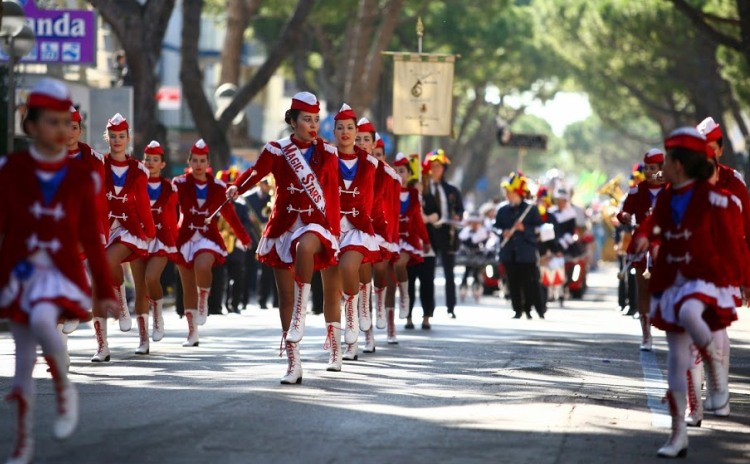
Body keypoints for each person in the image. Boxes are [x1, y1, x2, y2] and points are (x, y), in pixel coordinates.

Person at [0, 78, 118, 464]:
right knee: (21, 362)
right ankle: (22, 440)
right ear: (30, 125)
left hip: (58, 271)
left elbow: (90, 233)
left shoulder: (81, 176)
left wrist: (104, 287)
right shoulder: (12, 168)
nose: (60, 130)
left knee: (44, 319)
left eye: (65, 122)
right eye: (49, 122)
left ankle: (63, 383)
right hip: (20, 270)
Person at [633, 127, 747, 458]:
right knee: (676, 360)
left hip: (705, 278)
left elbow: (734, 243)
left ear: (679, 164)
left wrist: (744, 279)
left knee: (689, 312)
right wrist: (641, 239)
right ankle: (679, 432)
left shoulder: (717, 198)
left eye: (666, 160)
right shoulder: (667, 197)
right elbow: (652, 224)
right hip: (673, 277)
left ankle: (711, 361)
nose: (659, 167)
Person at [228, 92, 341, 383]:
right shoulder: (277, 150)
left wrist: (335, 231)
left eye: (316, 119)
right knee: (284, 296)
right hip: (283, 224)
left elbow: (331, 193)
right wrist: (237, 188)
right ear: (292, 121)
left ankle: (303, 311)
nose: (312, 125)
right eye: (306, 119)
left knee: (306, 249)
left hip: (314, 223)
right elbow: (255, 171)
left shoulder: (327, 152)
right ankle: (293, 362)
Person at [173, 140, 252, 347]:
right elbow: (166, 209)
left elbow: (230, 215)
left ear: (208, 162)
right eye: (195, 161)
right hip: (184, 238)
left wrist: (244, 237)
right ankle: (192, 333)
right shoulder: (179, 183)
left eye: (202, 161)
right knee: (187, 286)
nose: (198, 165)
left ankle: (203, 297)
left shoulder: (218, 187)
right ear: (189, 161)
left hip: (208, 237)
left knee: (202, 264)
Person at [694, 116, 748, 420]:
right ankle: (696, 394)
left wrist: (747, 278)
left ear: (720, 150)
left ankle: (718, 388)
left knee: (716, 329)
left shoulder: (734, 181)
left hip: (723, 268)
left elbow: (747, 231)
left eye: (710, 147)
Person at [93, 113, 156, 362]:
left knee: (135, 280)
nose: (117, 141)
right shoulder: (98, 164)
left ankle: (143, 335)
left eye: (122, 136)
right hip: (105, 228)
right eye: (113, 137)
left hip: (132, 230)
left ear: (128, 138)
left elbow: (143, 204)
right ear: (107, 138)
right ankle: (102, 345)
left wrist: (150, 232)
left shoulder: (139, 170)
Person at [332, 105, 380, 362]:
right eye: (341, 128)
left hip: (359, 229)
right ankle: (349, 342)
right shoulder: (326, 158)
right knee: (337, 284)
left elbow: (377, 201)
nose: (348, 133)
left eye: (352, 128)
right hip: (332, 228)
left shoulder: (371, 164)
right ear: (335, 131)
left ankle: (356, 315)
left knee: (351, 270)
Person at [129, 141, 178, 354]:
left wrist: (175, 243)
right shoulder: (135, 183)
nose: (150, 163)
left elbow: (172, 217)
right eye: (147, 159)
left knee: (152, 278)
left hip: (161, 239)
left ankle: (157, 312)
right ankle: (143, 339)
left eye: (155, 160)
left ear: (162, 164)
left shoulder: (169, 188)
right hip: (137, 238)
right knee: (140, 289)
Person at [616, 149, 666, 352]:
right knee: (643, 288)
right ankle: (646, 334)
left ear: (662, 169)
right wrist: (626, 216)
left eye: (652, 168)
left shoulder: (673, 189)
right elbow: (624, 210)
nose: (647, 172)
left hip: (667, 244)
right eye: (646, 168)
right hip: (641, 244)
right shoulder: (637, 190)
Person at [494, 171, 545, 319]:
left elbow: (539, 229)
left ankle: (529, 308)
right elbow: (495, 226)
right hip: (509, 252)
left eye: (511, 192)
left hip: (526, 252)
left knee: (528, 282)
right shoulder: (502, 210)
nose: (508, 195)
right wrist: (503, 232)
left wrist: (525, 229)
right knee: (513, 282)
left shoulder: (531, 209)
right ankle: (517, 309)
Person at [422, 149, 463, 318]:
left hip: (448, 233)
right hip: (429, 233)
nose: (436, 169)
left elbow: (460, 209)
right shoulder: (423, 189)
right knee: (428, 272)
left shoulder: (451, 189)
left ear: (444, 168)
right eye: (433, 166)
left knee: (449, 272)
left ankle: (451, 308)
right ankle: (429, 309)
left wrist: (457, 215)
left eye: (439, 166)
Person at [394, 154, 431, 331]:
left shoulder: (415, 193)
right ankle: (402, 314)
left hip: (409, 241)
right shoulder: (388, 192)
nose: (399, 175)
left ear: (409, 174)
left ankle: (403, 298)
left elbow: (417, 219)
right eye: (395, 171)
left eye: (402, 171)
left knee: (402, 265)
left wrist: (426, 240)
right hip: (391, 240)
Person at [458, 212, 490, 303]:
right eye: (472, 222)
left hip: (478, 256)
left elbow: (478, 241)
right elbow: (463, 240)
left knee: (476, 273)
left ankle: (477, 289)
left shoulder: (482, 231)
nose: (474, 224)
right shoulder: (466, 231)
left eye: (476, 222)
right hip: (468, 255)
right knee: (466, 272)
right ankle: (463, 289)